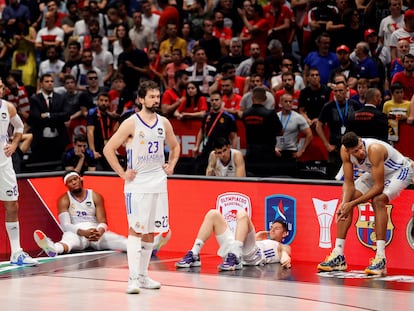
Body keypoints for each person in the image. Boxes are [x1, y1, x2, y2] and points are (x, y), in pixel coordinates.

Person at [103, 80, 180, 294]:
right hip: (137, 184)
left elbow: (175, 146)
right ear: (141, 99)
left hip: (158, 182)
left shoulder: (164, 122)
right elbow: (108, 149)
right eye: (152, 96)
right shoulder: (131, 123)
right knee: (135, 230)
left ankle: (144, 276)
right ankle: (132, 278)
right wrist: (122, 173)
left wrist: (171, 164)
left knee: (150, 231)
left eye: (158, 96)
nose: (156, 100)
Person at [317, 131, 413, 276]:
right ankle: (338, 255)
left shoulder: (374, 149)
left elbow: (378, 187)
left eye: (360, 147)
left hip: (400, 171)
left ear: (361, 140)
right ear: (348, 151)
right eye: (355, 151)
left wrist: (353, 203)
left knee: (378, 200)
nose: (361, 152)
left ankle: (380, 259)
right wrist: (345, 204)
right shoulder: (345, 152)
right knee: (346, 203)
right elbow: (348, 183)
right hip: (377, 172)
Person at [33, 170, 127, 257]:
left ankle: (137, 247)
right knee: (68, 243)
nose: (74, 182)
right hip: (76, 232)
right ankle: (52, 248)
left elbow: (103, 221)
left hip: (94, 232)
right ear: (66, 185)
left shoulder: (95, 195)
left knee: (119, 240)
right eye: (70, 181)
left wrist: (99, 232)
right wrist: (82, 232)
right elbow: (65, 225)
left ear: (80, 179)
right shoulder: (64, 199)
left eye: (75, 179)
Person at [175, 209, 291, 270]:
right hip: (236, 250)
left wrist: (285, 255)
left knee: (242, 214)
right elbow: (246, 243)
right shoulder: (261, 240)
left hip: (252, 255)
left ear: (284, 233)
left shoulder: (280, 246)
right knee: (213, 214)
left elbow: (285, 249)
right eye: (271, 227)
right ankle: (195, 254)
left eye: (277, 228)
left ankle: (235, 257)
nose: (272, 230)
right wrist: (256, 238)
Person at [0, 78, 37, 266]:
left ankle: (17, 253)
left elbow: (20, 127)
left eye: (0, 86)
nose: (0, 89)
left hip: (4, 164)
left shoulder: (8, 107)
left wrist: (14, 144)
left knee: (12, 205)